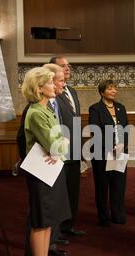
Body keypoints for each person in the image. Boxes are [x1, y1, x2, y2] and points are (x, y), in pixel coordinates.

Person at [21, 66, 71, 256]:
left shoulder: (46, 110)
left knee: (47, 221)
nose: (54, 85)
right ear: (39, 88)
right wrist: (63, 143)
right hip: (41, 174)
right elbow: (56, 145)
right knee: (40, 222)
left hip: (50, 172)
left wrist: (61, 144)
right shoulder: (35, 113)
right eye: (50, 83)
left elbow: (58, 144)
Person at [49, 56, 86, 238]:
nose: (67, 68)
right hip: (59, 152)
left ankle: (69, 226)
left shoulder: (72, 91)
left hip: (75, 150)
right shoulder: (50, 95)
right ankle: (56, 232)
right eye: (63, 66)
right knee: (59, 194)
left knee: (73, 191)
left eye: (68, 65)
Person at [89, 80, 129, 227]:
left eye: (115, 89)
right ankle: (104, 217)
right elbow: (95, 130)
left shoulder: (121, 108)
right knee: (102, 186)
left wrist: (122, 144)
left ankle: (118, 215)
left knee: (119, 185)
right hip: (102, 154)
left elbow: (126, 128)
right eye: (110, 89)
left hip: (120, 153)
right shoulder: (95, 108)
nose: (114, 91)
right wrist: (111, 146)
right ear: (102, 92)